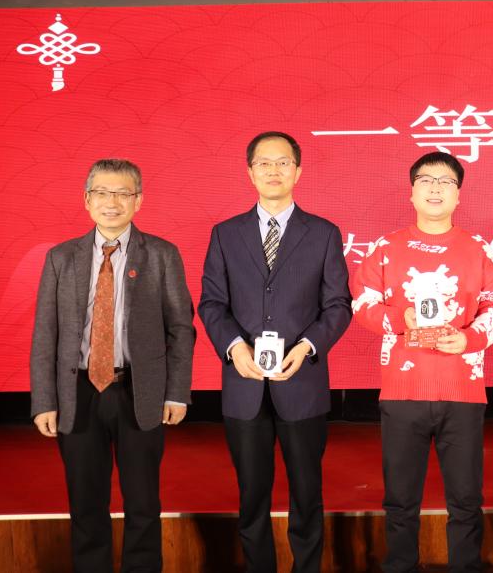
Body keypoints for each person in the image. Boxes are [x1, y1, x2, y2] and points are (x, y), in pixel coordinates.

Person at [30, 158, 195, 572]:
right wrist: (44, 401)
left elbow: (181, 328)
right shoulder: (60, 258)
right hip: (78, 393)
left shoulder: (161, 255)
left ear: (139, 201)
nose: (112, 202)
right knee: (86, 503)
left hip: (139, 391)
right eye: (102, 192)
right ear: (87, 200)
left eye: (123, 193)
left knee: (143, 502)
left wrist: (177, 392)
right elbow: (45, 333)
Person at [198, 131, 352, 573]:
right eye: (263, 163)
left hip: (301, 383)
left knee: (307, 493)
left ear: (298, 171)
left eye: (283, 162)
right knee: (251, 496)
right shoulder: (226, 234)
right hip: (243, 385)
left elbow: (338, 305)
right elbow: (211, 303)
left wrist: (307, 347)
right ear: (250, 172)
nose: (273, 170)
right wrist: (234, 348)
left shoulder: (323, 233)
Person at [351, 151, 493, 573]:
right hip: (402, 391)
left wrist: (470, 338)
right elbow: (362, 303)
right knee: (400, 500)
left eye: (446, 182)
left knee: (466, 500)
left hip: (463, 390)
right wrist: (398, 318)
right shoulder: (386, 248)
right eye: (426, 180)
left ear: (459, 195)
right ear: (411, 192)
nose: (435, 188)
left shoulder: (478, 249)